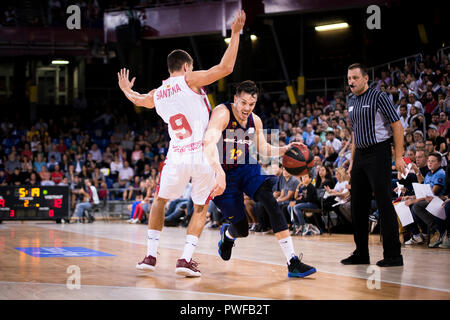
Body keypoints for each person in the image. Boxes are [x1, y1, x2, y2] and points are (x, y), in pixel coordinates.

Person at [117, 9, 246, 278]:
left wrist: (126, 90)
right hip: (202, 154)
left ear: (169, 69)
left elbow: (140, 99)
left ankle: (150, 256)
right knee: (200, 208)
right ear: (187, 67)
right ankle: (185, 260)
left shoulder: (159, 92)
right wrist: (235, 33)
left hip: (176, 154)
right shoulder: (189, 80)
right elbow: (225, 68)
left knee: (159, 201)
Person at [203, 80, 316, 278]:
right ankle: (228, 235)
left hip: (247, 166)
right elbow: (208, 142)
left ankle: (292, 262)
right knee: (242, 229)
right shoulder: (222, 113)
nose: (247, 108)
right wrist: (218, 172)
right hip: (221, 172)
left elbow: (263, 148)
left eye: (252, 104)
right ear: (235, 98)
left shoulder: (255, 120)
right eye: (243, 103)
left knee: (270, 201)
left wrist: (283, 150)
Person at [343, 63, 406, 267]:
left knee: (384, 203)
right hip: (360, 154)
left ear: (365, 78)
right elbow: (355, 132)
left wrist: (399, 157)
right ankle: (361, 253)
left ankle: (393, 255)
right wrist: (352, 161)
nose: (351, 82)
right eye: (349, 78)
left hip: (379, 152)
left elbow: (397, 125)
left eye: (354, 78)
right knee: (358, 205)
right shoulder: (350, 100)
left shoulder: (379, 97)